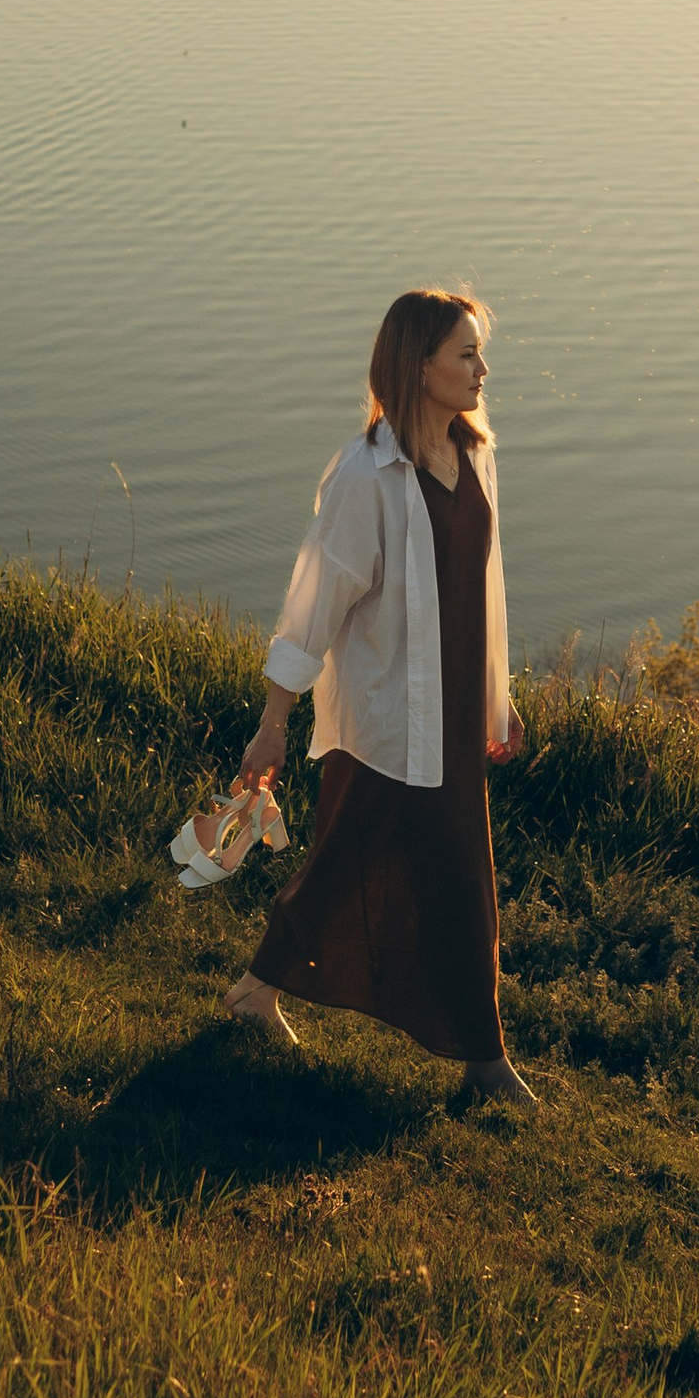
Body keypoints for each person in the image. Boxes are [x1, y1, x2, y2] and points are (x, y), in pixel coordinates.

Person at [223, 288, 535, 1110]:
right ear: (419, 365)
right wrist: (274, 723)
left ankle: (256, 990)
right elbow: (313, 605)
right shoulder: (366, 476)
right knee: (442, 876)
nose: (482, 368)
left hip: (454, 716)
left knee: (357, 861)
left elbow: (482, 589)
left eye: (479, 351)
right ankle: (486, 1062)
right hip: (389, 718)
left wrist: (496, 696)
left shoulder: (476, 454)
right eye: (466, 352)